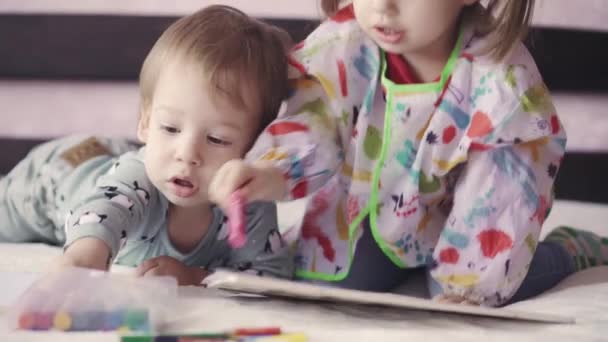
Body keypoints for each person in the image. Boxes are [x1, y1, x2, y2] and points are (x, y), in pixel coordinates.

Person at [207, 0, 608, 306]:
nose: (383, 7)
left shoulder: (501, 83)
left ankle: (570, 249)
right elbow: (319, 117)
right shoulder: (343, 44)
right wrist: (271, 172)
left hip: (464, 223)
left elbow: (505, 191)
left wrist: (469, 283)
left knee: (462, 298)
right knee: (324, 282)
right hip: (373, 213)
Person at [0, 5, 293, 285]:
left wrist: (196, 277)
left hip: (114, 154)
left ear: (252, 148)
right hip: (57, 176)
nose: (188, 154)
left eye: (217, 139)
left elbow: (270, 274)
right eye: (169, 128)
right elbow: (105, 212)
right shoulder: (137, 180)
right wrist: (83, 257)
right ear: (145, 122)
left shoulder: (249, 202)